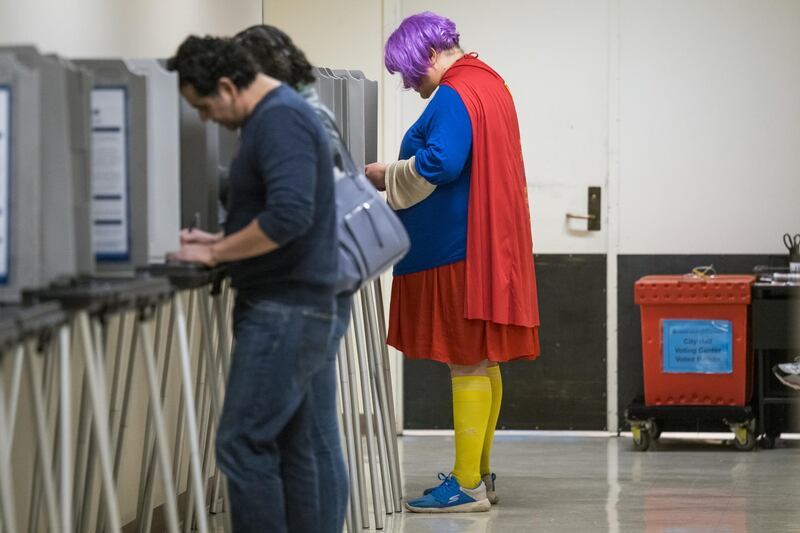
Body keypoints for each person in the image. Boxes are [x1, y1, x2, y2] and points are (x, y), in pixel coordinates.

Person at [365, 12, 541, 513]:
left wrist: (385, 175)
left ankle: (466, 486)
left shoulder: (454, 92)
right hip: (482, 247)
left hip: (455, 251)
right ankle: (478, 474)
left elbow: (442, 162)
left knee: (466, 358)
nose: (412, 86)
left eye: (411, 73)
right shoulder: (490, 84)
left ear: (430, 55)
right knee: (482, 358)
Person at [167, 35, 338, 532]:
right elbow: (276, 210)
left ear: (226, 85)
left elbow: (288, 215)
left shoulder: (278, 119)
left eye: (203, 106)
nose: (204, 118)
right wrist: (219, 236)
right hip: (297, 304)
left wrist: (217, 251)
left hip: (283, 310)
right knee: (293, 446)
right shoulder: (280, 115)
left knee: (241, 444)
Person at [233, 24, 351, 533]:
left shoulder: (298, 119)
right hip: (323, 281)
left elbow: (296, 205)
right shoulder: (309, 111)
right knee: (307, 431)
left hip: (312, 285)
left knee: (316, 431)